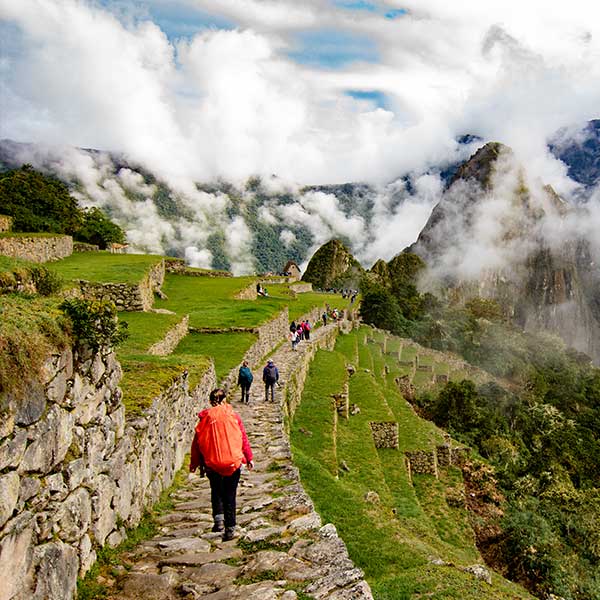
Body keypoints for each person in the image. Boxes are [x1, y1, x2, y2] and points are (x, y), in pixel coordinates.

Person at [190, 388, 254, 541]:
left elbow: (197, 443)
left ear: (211, 401)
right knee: (230, 495)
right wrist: (249, 457)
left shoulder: (205, 418)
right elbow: (242, 438)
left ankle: (218, 521)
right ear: (224, 399)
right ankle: (230, 528)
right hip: (232, 462)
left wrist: (195, 464)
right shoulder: (233, 416)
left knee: (216, 491)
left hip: (212, 463)